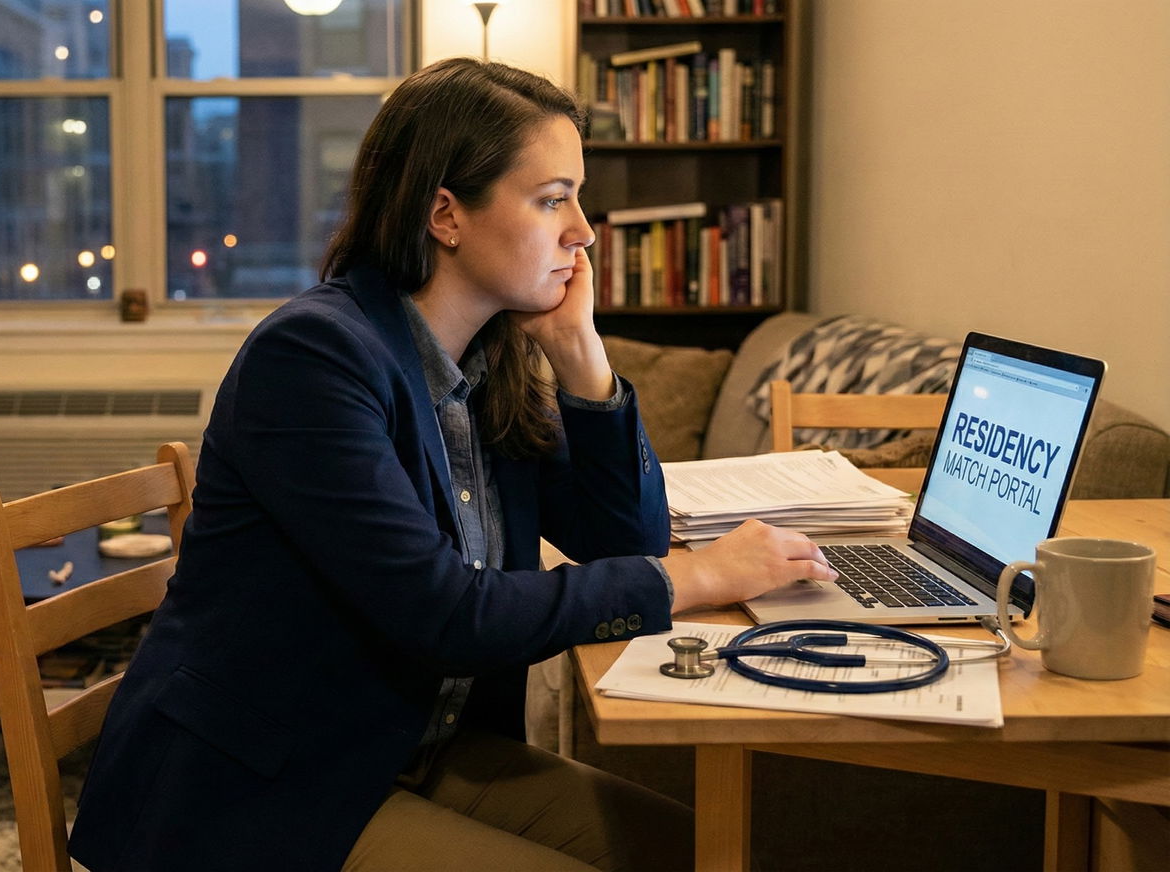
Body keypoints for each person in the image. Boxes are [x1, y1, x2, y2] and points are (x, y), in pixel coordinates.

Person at [68, 57, 837, 872]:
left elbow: (624, 541)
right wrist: (701, 578)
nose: (583, 230)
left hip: (406, 749)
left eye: (577, 196)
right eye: (552, 200)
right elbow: (446, 615)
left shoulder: (485, 360)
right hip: (260, 787)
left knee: (707, 854)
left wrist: (580, 351)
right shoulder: (314, 358)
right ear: (446, 215)